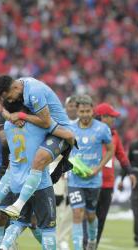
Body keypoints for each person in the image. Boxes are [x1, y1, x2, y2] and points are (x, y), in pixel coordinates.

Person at [0, 100, 74, 250]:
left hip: (16, 181)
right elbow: (68, 135)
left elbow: (6, 143)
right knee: (48, 228)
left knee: (18, 222)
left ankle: (3, 247)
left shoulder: (8, 125)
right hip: (39, 183)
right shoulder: (39, 126)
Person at [0, 75, 75, 219]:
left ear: (15, 88)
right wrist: (11, 117)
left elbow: (45, 122)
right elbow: (3, 108)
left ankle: (18, 206)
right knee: (16, 161)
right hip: (45, 129)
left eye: (10, 97)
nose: (11, 100)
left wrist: (20, 115)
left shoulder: (34, 92)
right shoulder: (17, 85)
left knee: (37, 161)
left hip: (60, 131)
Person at [67, 95, 114, 250]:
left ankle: (92, 240)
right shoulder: (70, 127)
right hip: (75, 179)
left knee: (90, 215)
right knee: (77, 213)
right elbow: (63, 148)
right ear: (77, 111)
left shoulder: (102, 129)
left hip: (94, 180)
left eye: (88, 111)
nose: (85, 114)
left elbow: (110, 150)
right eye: (82, 111)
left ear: (93, 111)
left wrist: (98, 168)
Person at [95, 103, 137, 246]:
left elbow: (121, 155)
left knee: (100, 220)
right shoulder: (89, 132)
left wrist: (130, 172)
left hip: (107, 184)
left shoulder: (114, 135)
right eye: (111, 117)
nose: (114, 119)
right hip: (90, 182)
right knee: (87, 218)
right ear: (103, 117)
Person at [55, 95, 77, 250]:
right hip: (57, 168)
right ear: (66, 107)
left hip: (75, 171)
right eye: (71, 105)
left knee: (70, 205)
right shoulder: (59, 123)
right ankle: (52, 235)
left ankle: (63, 238)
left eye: (76, 106)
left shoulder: (82, 126)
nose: (73, 108)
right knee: (55, 204)